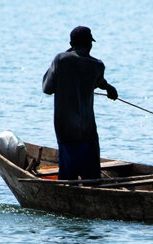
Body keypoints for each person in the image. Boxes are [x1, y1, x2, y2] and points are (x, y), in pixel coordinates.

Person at [43, 26, 118, 180]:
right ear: (89, 44)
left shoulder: (61, 60)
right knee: (92, 177)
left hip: (66, 129)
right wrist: (109, 88)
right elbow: (99, 81)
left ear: (71, 43)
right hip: (88, 130)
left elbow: (47, 88)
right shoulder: (98, 65)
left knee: (68, 178)